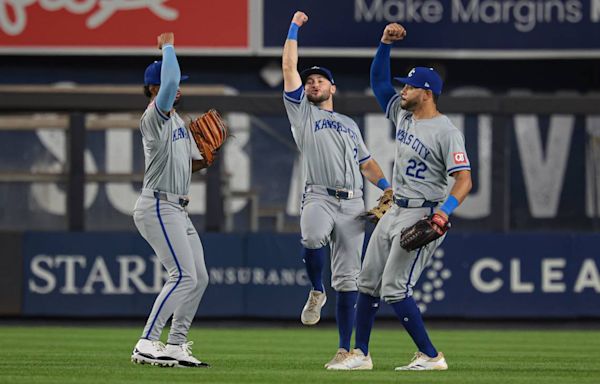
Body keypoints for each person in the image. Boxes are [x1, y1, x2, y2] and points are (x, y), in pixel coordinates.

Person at [328, 23, 473, 371]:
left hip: (422, 213)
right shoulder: (403, 116)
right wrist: (383, 45)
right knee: (367, 282)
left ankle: (431, 356)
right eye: (404, 85)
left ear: (427, 92)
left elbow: (464, 180)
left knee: (394, 288)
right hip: (394, 209)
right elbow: (378, 82)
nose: (402, 90)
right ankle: (360, 355)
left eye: (409, 86)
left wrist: (442, 213)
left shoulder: (446, 132)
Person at [282, 11, 393, 369]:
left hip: (354, 204)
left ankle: (346, 350)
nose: (313, 84)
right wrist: (294, 26)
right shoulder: (302, 114)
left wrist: (387, 186)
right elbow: (288, 68)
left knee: (349, 281)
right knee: (312, 237)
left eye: (320, 81)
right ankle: (316, 290)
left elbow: (367, 164)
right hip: (319, 195)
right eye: (310, 80)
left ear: (333, 88)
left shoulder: (348, 124)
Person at [130, 32, 210, 368]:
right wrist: (168, 46)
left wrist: (206, 158)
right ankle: (146, 341)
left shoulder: (177, 122)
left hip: (177, 206)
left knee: (199, 277)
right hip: (158, 205)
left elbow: (192, 166)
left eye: (178, 84)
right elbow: (172, 75)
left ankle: (176, 344)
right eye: (170, 84)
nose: (178, 87)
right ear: (155, 87)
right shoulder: (155, 115)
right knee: (182, 276)